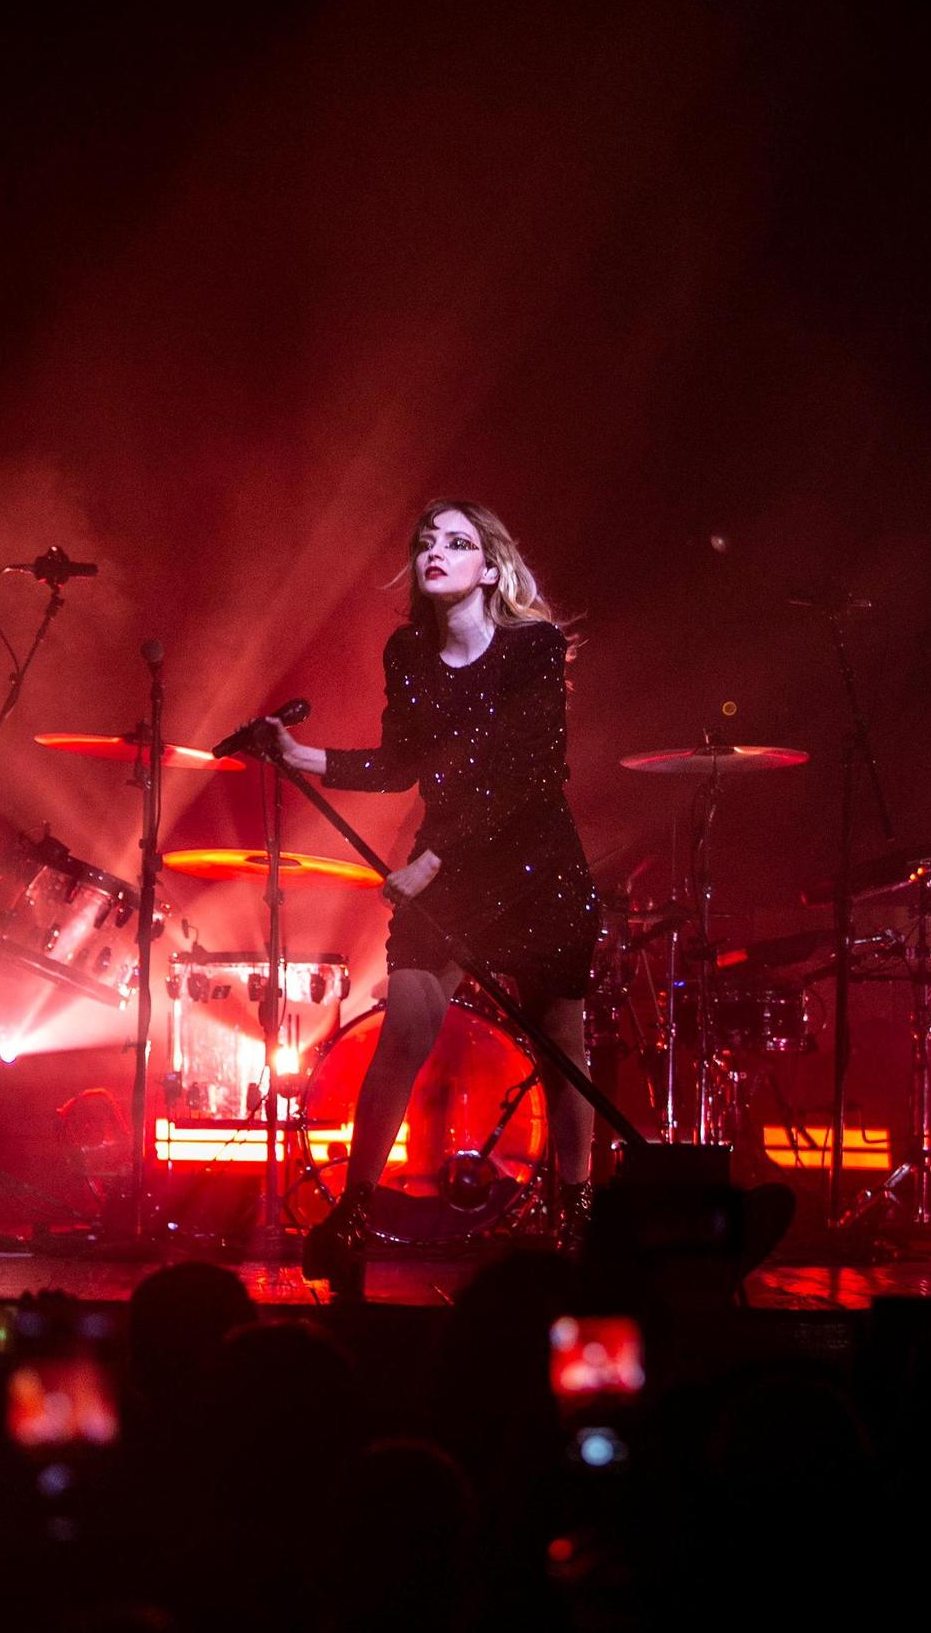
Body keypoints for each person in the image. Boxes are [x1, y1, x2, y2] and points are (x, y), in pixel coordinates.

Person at [273, 501, 600, 1296]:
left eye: (457, 543)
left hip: (533, 865)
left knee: (560, 1043)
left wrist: (431, 860)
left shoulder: (533, 648)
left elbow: (530, 773)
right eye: (425, 542)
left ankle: (577, 1212)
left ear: (490, 567)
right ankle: (353, 1215)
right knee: (405, 1029)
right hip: (451, 875)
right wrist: (298, 755)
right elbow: (399, 763)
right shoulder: (409, 651)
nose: (434, 552)